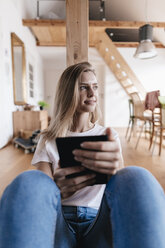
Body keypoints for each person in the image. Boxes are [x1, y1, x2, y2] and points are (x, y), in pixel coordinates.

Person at [0, 62, 165, 248]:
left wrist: (115, 170)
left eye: (95, 87)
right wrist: (58, 189)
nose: (93, 94)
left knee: (136, 176)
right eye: (83, 87)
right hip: (60, 220)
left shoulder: (109, 135)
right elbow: (42, 191)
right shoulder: (48, 138)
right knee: (29, 182)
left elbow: (120, 190)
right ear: (68, 92)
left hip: (98, 219)